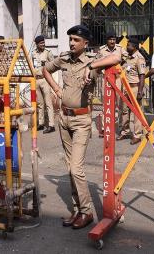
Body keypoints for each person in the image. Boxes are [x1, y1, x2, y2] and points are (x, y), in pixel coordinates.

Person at [42, 25, 120, 229]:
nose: (71, 43)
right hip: (64, 119)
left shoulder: (92, 61)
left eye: (76, 40)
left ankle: (86, 212)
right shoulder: (64, 59)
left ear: (86, 43)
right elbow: (45, 70)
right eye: (70, 39)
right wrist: (57, 89)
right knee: (70, 168)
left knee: (76, 167)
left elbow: (117, 58)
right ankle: (77, 210)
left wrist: (92, 66)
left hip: (81, 121)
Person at [96, 31, 127, 137]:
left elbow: (126, 59)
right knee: (106, 104)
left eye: (114, 39)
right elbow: (97, 63)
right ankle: (105, 128)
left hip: (118, 78)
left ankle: (121, 128)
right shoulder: (102, 50)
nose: (112, 41)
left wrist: (121, 68)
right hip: (106, 79)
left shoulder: (120, 48)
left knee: (120, 104)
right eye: (110, 39)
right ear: (107, 40)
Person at [116, 37, 146, 145]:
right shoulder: (127, 57)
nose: (126, 47)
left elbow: (142, 76)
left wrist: (140, 91)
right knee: (124, 111)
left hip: (134, 88)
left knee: (137, 112)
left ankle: (138, 135)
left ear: (134, 46)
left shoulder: (139, 58)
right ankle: (125, 131)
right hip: (125, 88)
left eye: (128, 45)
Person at [33, 35, 55, 133]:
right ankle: (41, 123)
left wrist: (47, 70)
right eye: (41, 43)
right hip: (36, 80)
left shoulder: (48, 53)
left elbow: (54, 65)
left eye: (43, 42)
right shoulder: (33, 53)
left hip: (45, 79)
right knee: (40, 103)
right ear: (37, 44)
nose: (43, 44)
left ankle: (51, 125)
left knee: (48, 103)